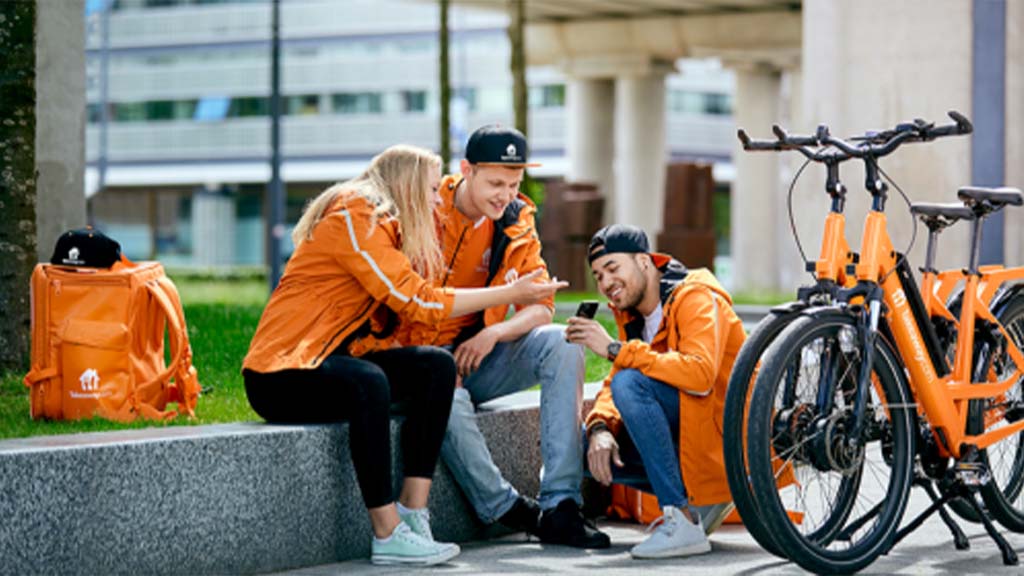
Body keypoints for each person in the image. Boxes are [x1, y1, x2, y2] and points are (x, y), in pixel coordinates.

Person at [241, 144, 566, 566]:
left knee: (435, 365)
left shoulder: (390, 228)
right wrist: (511, 294)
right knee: (368, 381)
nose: (437, 201)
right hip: (281, 371)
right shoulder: (354, 216)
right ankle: (387, 532)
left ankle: (414, 515)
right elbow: (413, 301)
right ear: (407, 186)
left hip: (333, 358)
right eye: (432, 190)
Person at [396, 125, 609, 548]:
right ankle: (505, 508)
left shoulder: (514, 218)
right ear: (465, 171)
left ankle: (562, 505)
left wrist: (494, 332)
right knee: (445, 392)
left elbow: (540, 303)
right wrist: (435, 361)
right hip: (414, 361)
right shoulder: (423, 207)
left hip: (476, 357)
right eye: (495, 183)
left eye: (513, 184)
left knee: (561, 343)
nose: (505, 194)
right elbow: (400, 300)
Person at [566, 224, 742, 559]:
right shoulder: (632, 316)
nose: (605, 283)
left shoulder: (695, 296)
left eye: (613, 268)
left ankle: (682, 519)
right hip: (686, 435)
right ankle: (693, 503)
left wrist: (616, 349)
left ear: (644, 261)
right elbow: (617, 379)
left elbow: (700, 374)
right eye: (598, 275)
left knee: (629, 383)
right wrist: (600, 428)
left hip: (722, 445)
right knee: (578, 449)